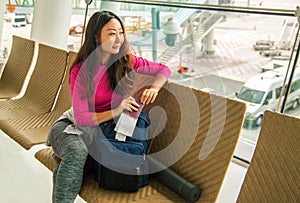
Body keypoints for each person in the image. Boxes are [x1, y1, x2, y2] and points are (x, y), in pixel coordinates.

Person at [46, 10, 171, 203]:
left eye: (120, 32)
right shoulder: (81, 71)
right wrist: (116, 110)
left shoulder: (126, 61)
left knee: (94, 161)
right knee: (78, 154)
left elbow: (164, 69)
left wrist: (154, 88)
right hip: (70, 128)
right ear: (96, 37)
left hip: (100, 132)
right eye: (112, 33)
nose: (119, 39)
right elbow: (81, 118)